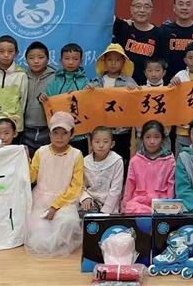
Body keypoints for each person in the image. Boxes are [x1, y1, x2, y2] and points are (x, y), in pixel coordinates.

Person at [25, 111, 84, 258]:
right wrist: (25, 160)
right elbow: (31, 178)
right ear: (49, 134)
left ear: (72, 134)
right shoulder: (41, 152)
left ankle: (60, 242)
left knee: (69, 222)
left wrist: (55, 206)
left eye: (64, 133)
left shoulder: (76, 155)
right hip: (41, 201)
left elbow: (76, 186)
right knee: (39, 238)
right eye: (55, 133)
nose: (59, 137)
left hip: (65, 202)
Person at [86, 43, 138, 161]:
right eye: (110, 59)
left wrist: (134, 91)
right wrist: (88, 90)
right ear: (104, 61)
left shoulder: (129, 82)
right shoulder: (96, 82)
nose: (113, 63)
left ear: (123, 62)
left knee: (121, 159)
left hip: (122, 131)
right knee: (101, 159)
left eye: (117, 60)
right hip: (101, 131)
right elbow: (87, 101)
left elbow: (137, 102)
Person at [121, 120, 176, 214]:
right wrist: (125, 207)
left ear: (163, 139)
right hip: (139, 203)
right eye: (148, 137)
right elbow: (130, 186)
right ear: (142, 138)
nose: (152, 141)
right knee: (130, 207)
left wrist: (169, 209)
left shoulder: (169, 161)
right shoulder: (135, 160)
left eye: (156, 137)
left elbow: (171, 187)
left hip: (161, 203)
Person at [112, 0, 167, 86]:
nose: (142, 10)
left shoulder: (160, 34)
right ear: (131, 9)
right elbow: (103, 12)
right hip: (122, 86)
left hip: (148, 87)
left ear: (152, 10)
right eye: (138, 6)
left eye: (146, 7)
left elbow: (163, 63)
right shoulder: (122, 27)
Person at [45, 43, 89, 155]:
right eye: (67, 58)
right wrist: (43, 98)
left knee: (78, 161)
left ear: (81, 61)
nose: (70, 62)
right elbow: (48, 103)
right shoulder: (55, 80)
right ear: (60, 60)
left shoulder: (85, 82)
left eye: (75, 59)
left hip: (80, 134)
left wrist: (89, 91)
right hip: (59, 134)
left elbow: (89, 105)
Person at [0, 35, 28, 137]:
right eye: (1, 51)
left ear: (16, 53)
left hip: (13, 125)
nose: (6, 55)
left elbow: (23, 102)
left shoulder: (21, 74)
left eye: (10, 51)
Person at [79, 126, 124, 215]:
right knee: (84, 217)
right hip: (91, 200)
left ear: (112, 144)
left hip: (110, 203)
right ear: (91, 143)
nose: (101, 145)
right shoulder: (85, 161)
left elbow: (116, 189)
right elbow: (81, 185)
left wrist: (106, 210)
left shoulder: (117, 160)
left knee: (106, 221)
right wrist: (85, 197)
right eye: (97, 142)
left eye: (105, 142)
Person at [23, 41, 55, 156]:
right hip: (25, 129)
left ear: (48, 59)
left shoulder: (56, 77)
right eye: (31, 58)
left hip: (48, 129)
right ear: (26, 60)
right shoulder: (21, 76)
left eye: (41, 57)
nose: (36, 61)